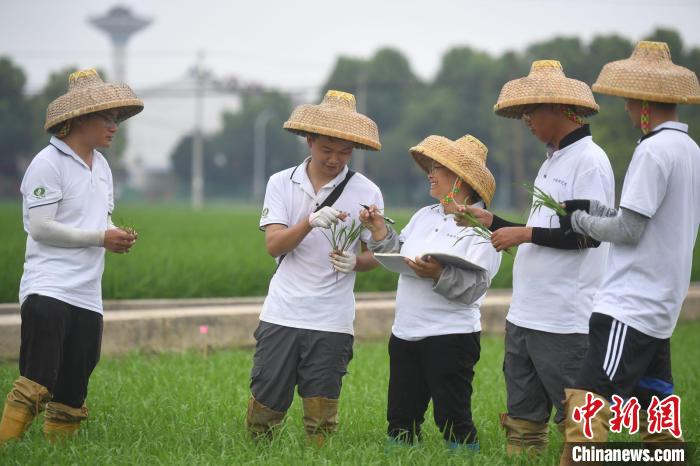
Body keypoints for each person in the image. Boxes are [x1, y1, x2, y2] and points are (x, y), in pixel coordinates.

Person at [458, 60, 615, 456]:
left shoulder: (589, 161)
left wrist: (523, 232)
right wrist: (495, 221)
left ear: (559, 108)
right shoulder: (553, 160)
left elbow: (589, 234)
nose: (525, 120)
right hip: (527, 315)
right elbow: (549, 230)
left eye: (531, 111)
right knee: (523, 419)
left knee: (578, 420)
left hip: (565, 320)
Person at [558, 41, 700, 465]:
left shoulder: (652, 149)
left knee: (588, 405)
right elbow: (653, 220)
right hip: (660, 306)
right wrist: (598, 212)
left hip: (628, 306)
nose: (623, 108)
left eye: (626, 101)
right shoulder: (691, 152)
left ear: (642, 103)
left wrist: (580, 221)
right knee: (656, 415)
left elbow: (628, 230)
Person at [0, 69, 143, 443]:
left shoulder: (103, 167)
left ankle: (57, 452)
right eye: (106, 119)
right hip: (48, 287)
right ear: (79, 119)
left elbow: (99, 217)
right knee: (38, 379)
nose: (114, 127)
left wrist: (115, 233)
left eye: (116, 120)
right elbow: (40, 227)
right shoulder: (47, 163)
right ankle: (7, 448)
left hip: (87, 292)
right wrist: (100, 237)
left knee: (73, 388)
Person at [246, 90, 384, 446]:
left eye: (344, 152)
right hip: (282, 312)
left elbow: (376, 255)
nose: (335, 160)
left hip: (332, 318)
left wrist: (356, 261)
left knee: (322, 412)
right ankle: (259, 452)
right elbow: (274, 245)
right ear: (309, 141)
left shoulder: (367, 191)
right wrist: (310, 222)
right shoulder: (281, 183)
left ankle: (318, 455)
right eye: (326, 150)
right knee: (265, 402)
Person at [361, 134, 501, 452]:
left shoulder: (481, 229)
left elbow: (475, 287)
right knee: (400, 417)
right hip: (406, 332)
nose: (430, 173)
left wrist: (439, 273)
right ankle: (399, 454)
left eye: (439, 167)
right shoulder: (426, 215)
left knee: (453, 418)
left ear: (461, 179)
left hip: (450, 337)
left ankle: (465, 455)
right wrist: (380, 231)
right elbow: (399, 251)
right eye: (432, 166)